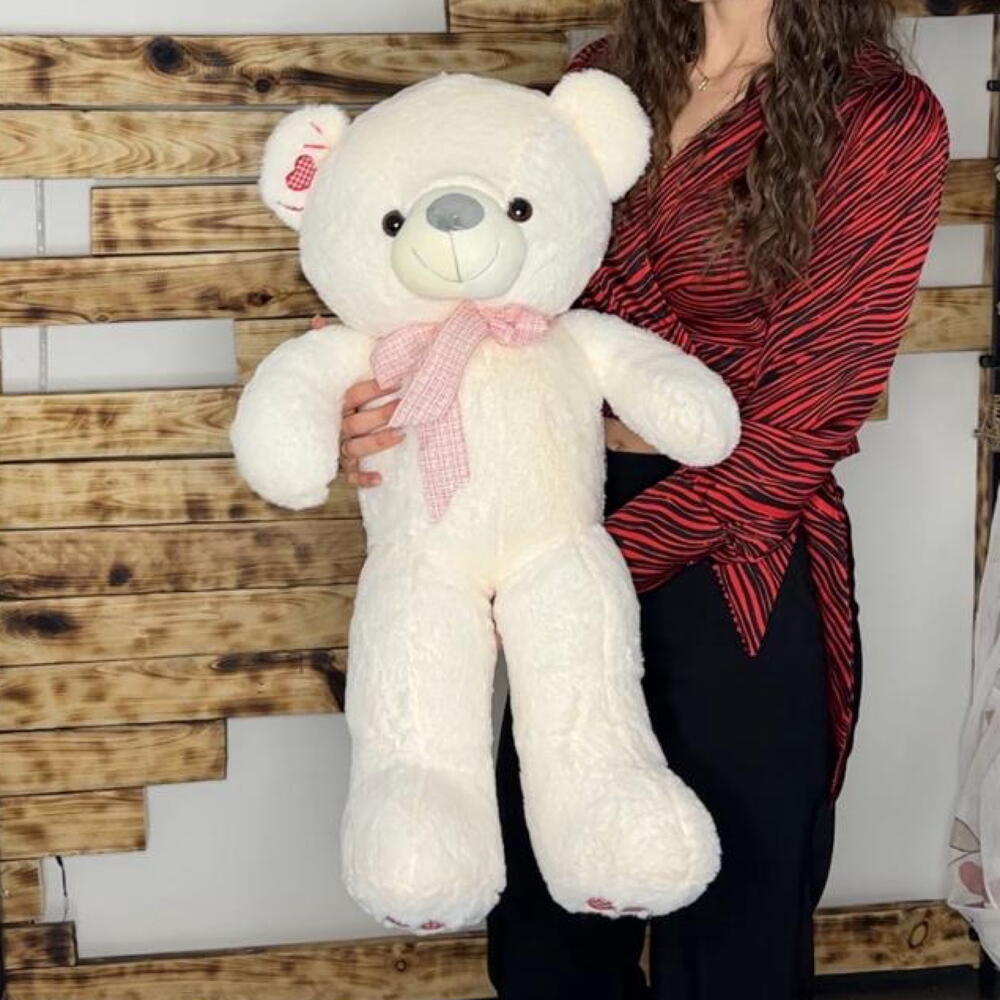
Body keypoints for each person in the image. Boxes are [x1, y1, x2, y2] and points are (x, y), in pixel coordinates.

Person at [336, 1, 950, 995]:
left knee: (732, 949)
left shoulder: (879, 116)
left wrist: (560, 570)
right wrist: (375, 407)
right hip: (558, 529)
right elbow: (485, 307)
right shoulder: (599, 82)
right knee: (547, 947)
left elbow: (804, 422)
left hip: (734, 566)